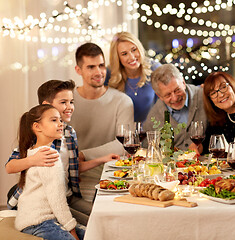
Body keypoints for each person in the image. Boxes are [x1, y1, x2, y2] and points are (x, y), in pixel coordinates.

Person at [6, 80, 118, 225]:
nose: (69, 107)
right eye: (63, 102)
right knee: (93, 224)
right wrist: (34, 159)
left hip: (67, 196)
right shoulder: (37, 133)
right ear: (46, 105)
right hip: (45, 202)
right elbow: (10, 166)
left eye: (71, 102)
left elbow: (74, 167)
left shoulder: (69, 133)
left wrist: (103, 159)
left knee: (102, 215)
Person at [70, 42, 134, 201]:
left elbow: (124, 143)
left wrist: (84, 154)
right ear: (78, 70)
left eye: (101, 65)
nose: (98, 72)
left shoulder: (122, 101)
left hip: (110, 174)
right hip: (73, 175)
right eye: (91, 67)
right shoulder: (67, 100)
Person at [14, 104, 85, 240]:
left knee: (93, 234)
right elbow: (57, 200)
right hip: (38, 222)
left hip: (41, 219)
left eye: (60, 120)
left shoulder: (34, 151)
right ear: (37, 127)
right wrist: (72, 230)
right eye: (54, 120)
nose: (60, 124)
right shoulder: (49, 156)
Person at [143, 64, 207, 151]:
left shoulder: (204, 97)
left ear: (183, 83)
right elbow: (147, 149)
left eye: (177, 90)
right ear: (159, 96)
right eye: (168, 95)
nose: (175, 98)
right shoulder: (153, 116)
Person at [106, 32, 162, 122]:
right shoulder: (109, 74)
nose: (132, 57)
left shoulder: (154, 68)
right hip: (121, 133)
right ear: (117, 58)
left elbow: (166, 106)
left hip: (149, 132)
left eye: (134, 50)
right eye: (124, 54)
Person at [201, 72, 235, 152]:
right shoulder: (218, 121)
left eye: (223, 87)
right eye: (213, 93)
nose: (220, 95)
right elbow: (207, 148)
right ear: (210, 100)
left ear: (232, 85)